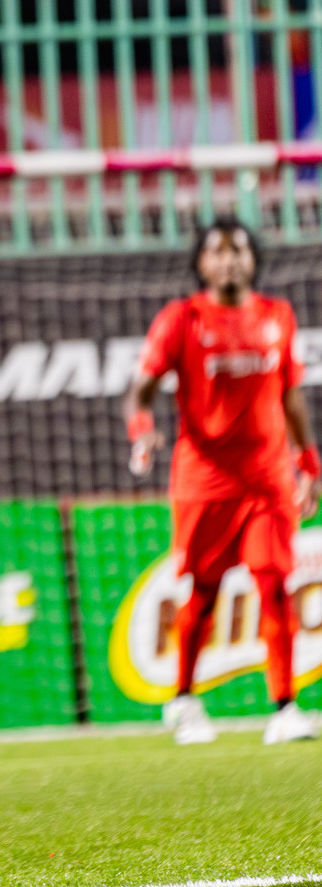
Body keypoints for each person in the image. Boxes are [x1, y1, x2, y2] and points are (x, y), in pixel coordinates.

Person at [126, 216, 320, 746]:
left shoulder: (278, 316)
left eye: (239, 249)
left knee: (274, 581)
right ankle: (183, 699)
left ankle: (284, 708)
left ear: (253, 259)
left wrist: (309, 461)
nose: (230, 258)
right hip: (205, 480)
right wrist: (142, 431)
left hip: (267, 478)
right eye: (218, 250)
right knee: (206, 592)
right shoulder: (181, 318)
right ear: (202, 263)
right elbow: (140, 391)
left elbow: (291, 396)